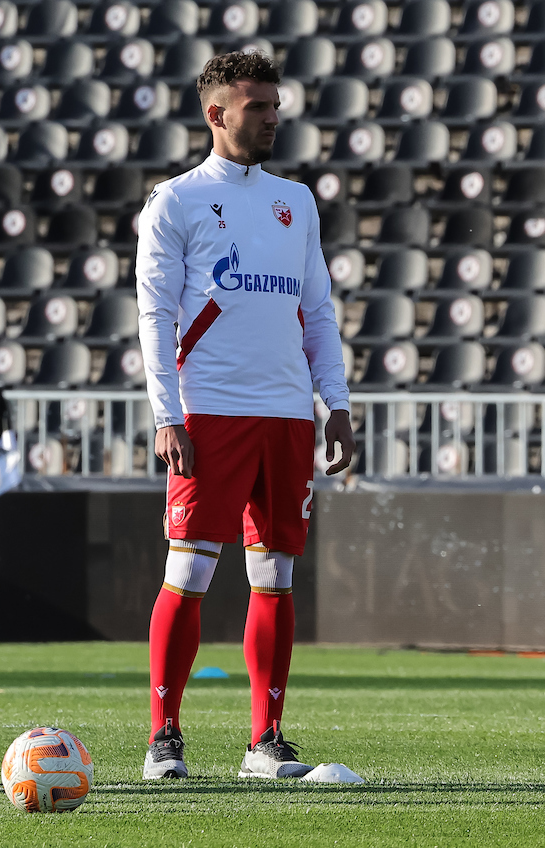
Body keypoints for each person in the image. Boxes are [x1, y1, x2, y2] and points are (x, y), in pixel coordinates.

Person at [135, 51, 356, 780]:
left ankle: (266, 741)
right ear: (216, 113)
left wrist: (335, 403)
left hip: (287, 415)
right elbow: (153, 315)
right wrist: (167, 413)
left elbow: (318, 310)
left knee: (275, 572)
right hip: (210, 412)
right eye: (256, 106)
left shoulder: (297, 201)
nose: (271, 118)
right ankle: (164, 737)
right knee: (190, 569)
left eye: (274, 105)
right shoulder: (176, 201)